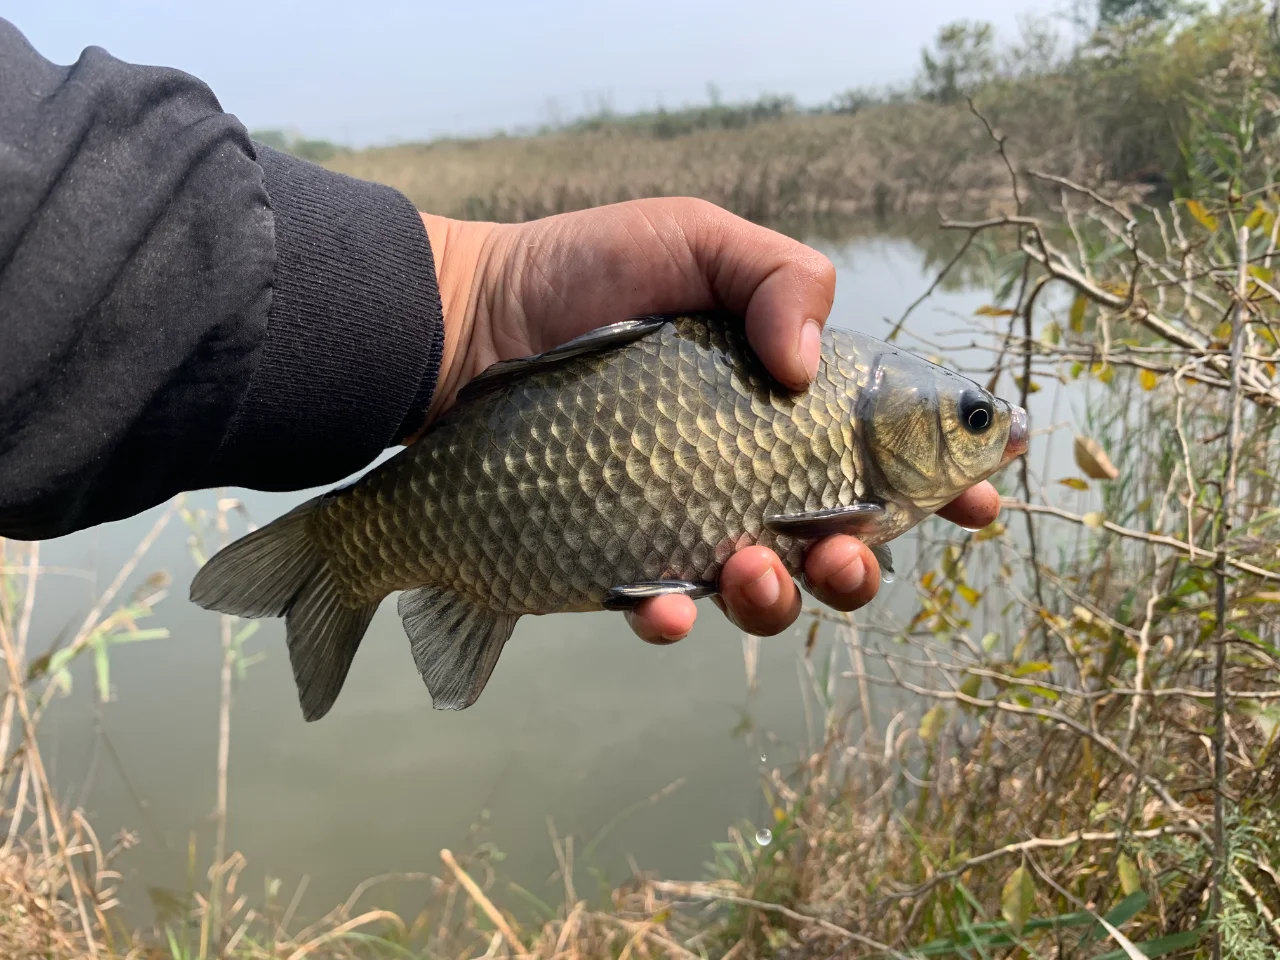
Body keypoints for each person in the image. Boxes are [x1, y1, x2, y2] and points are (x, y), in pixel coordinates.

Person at [0, 17, 1000, 646]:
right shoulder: (845, 403)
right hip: (493, 436)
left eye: (971, 417)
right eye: (969, 418)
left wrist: (469, 294)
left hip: (491, 435)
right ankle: (354, 552)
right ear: (901, 419)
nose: (980, 431)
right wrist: (463, 298)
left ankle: (401, 560)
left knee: (694, 582)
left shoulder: (856, 441)